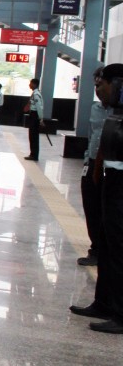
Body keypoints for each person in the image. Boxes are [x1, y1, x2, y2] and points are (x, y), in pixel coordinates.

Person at [76, 63, 123, 333]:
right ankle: (103, 302)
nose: (98, 91)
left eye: (101, 85)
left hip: (119, 187)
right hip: (106, 180)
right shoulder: (111, 113)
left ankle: (120, 312)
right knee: (104, 244)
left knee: (118, 249)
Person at [77, 66, 107, 267]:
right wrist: (88, 161)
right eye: (95, 85)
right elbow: (91, 137)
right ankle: (95, 249)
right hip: (91, 164)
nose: (97, 89)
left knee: (107, 211)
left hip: (109, 168)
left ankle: (105, 250)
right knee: (91, 208)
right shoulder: (95, 109)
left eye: (101, 85)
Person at [23, 77, 44, 161]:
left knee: (33, 136)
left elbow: (39, 107)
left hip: (35, 116)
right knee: (32, 136)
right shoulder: (35, 93)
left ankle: (34, 155)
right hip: (33, 115)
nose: (29, 85)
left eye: (31, 83)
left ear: (34, 84)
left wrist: (41, 119)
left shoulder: (36, 94)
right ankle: (33, 154)